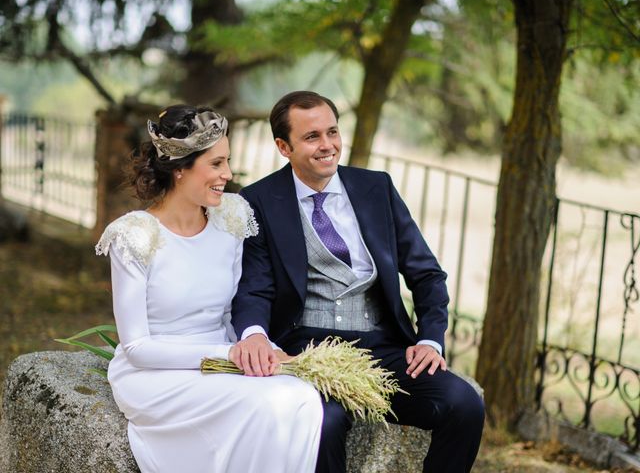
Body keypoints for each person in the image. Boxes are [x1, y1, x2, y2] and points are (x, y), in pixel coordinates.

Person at [231, 91, 485, 473]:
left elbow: (426, 274)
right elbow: (254, 285)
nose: (328, 145)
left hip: (382, 347)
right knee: (323, 423)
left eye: (332, 132)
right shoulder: (259, 201)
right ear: (283, 146)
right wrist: (253, 334)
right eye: (312, 136)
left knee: (464, 404)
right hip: (306, 351)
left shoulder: (376, 188)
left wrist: (430, 339)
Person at [95, 105, 322, 473]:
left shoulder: (230, 217)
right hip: (155, 375)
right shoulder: (134, 235)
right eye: (216, 164)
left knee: (303, 397)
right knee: (270, 405)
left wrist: (262, 348)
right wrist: (231, 354)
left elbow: (233, 312)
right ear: (181, 169)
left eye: (227, 161)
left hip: (222, 362)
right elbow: (137, 348)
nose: (228, 175)